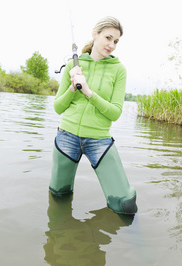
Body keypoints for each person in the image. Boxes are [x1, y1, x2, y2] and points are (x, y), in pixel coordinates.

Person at [49, 16, 137, 214]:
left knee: (125, 205)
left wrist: (88, 92)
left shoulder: (119, 70)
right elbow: (58, 107)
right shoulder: (73, 66)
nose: (112, 45)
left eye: (116, 41)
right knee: (58, 195)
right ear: (95, 34)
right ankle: (62, 236)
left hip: (99, 139)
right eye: (108, 38)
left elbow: (115, 112)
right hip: (67, 136)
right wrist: (73, 88)